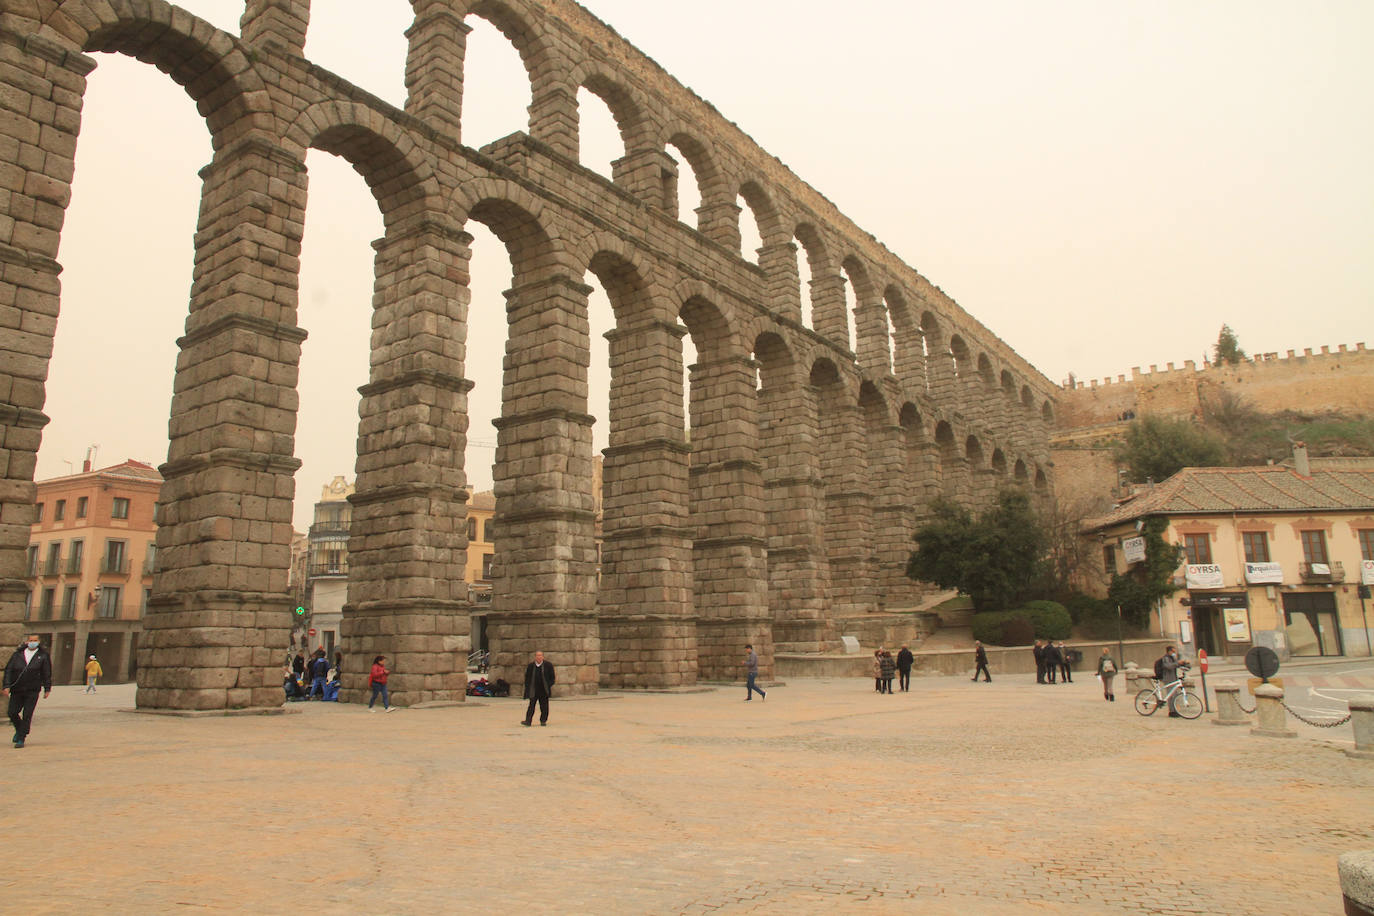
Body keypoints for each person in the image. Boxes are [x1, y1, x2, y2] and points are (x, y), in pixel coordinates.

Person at [4, 634, 53, 748]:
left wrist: (47, 688)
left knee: (27, 714)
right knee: (12, 712)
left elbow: (47, 673)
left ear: (39, 642)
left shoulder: (43, 656)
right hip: (17, 689)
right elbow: (8, 670)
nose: (32, 642)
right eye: (31, 640)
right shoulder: (17, 655)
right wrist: (6, 686)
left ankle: (21, 738)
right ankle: (20, 729)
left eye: (35, 640)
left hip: (32, 690)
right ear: (26, 641)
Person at [522, 650, 556, 726]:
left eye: (540, 655)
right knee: (531, 706)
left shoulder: (548, 665)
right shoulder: (531, 666)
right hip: (534, 689)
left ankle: (543, 720)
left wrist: (548, 685)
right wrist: (528, 687)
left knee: (544, 706)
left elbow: (552, 677)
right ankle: (528, 721)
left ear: (543, 657)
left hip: (544, 689)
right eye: (537, 655)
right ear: (535, 657)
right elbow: (527, 677)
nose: (539, 657)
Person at [1156, 646, 1189, 717]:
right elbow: (1168, 666)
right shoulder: (1166, 658)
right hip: (1168, 678)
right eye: (1173, 651)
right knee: (1171, 695)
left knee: (1174, 694)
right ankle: (1171, 712)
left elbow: (1177, 664)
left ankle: (1174, 710)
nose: (1174, 653)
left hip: (1173, 678)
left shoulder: (1173, 658)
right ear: (1169, 651)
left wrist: (1184, 663)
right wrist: (1178, 663)